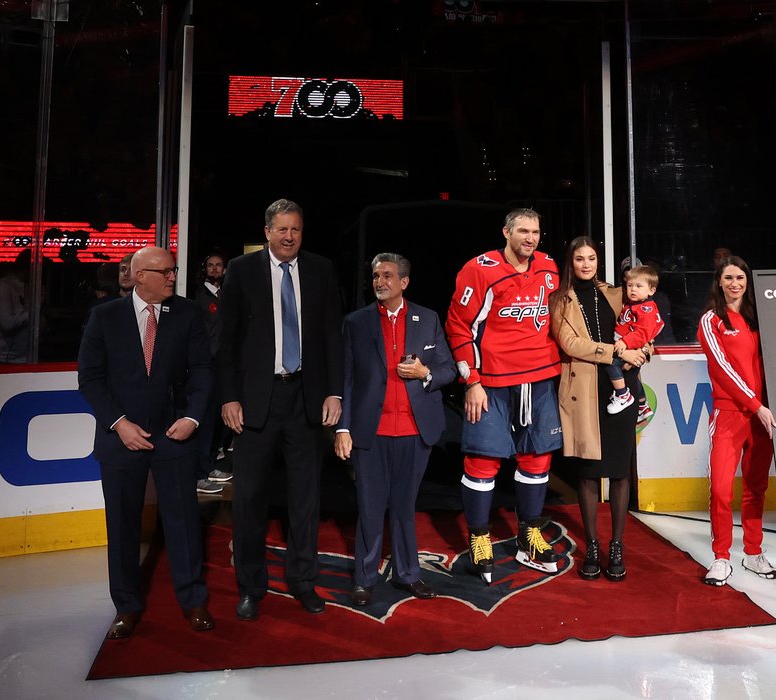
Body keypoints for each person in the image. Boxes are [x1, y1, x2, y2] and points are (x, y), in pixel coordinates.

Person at [77, 246, 214, 639]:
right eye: (165, 271)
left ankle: (193, 600)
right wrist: (120, 424)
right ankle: (126, 605)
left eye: (173, 270)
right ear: (139, 276)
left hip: (175, 436)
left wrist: (191, 418)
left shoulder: (188, 313)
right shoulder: (104, 317)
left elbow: (203, 370)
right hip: (121, 439)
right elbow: (90, 378)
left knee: (184, 521)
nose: (173, 277)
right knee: (121, 523)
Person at [217, 199, 344, 620]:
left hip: (305, 399)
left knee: (305, 500)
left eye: (296, 230)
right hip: (256, 402)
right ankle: (251, 586)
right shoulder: (241, 270)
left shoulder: (321, 269)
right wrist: (229, 397)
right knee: (250, 498)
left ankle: (303, 582)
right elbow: (226, 342)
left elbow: (331, 335)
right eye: (282, 229)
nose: (289, 237)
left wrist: (333, 392)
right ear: (267, 231)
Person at [445, 208, 564, 584]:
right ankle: (480, 537)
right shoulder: (479, 269)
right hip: (492, 383)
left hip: (540, 378)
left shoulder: (548, 266)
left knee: (537, 458)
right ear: (506, 233)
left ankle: (529, 533)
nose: (530, 238)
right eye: (523, 231)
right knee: (483, 462)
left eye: (536, 232)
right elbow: (458, 325)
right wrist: (472, 381)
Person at [335, 253, 456, 606]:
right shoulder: (356, 322)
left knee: (404, 506)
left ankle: (408, 575)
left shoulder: (428, 318)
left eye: (387, 275)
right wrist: (343, 427)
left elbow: (448, 369)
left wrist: (425, 374)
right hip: (370, 431)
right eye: (375, 275)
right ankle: (365, 579)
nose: (379, 281)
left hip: (416, 431)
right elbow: (346, 378)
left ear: (404, 282)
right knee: (370, 507)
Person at [551, 237, 650, 581]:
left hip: (621, 386)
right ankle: (592, 544)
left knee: (620, 470)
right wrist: (616, 352)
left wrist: (643, 351)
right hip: (584, 389)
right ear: (571, 262)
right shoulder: (560, 299)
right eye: (579, 259)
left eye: (591, 258)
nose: (586, 264)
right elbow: (569, 343)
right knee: (589, 471)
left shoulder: (613, 292)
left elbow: (642, 326)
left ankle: (617, 544)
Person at [696, 255, 776, 586]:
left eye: (740, 278)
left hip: (763, 417)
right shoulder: (711, 321)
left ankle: (753, 553)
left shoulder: (760, 319)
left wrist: (766, 407)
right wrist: (756, 405)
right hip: (730, 414)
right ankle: (721, 558)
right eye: (729, 278)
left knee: (755, 489)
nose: (735, 284)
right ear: (719, 281)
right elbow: (723, 370)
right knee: (720, 489)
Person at [193, 252, 232, 494]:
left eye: (219, 265)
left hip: (224, 367)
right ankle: (199, 474)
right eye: (211, 265)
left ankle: (208, 467)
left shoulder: (227, 295)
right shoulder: (199, 296)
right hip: (205, 366)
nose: (215, 269)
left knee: (218, 421)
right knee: (205, 422)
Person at [606, 264, 664, 415]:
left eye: (639, 286)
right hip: (624, 345)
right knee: (632, 378)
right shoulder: (632, 304)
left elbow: (644, 333)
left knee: (611, 363)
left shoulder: (647, 308)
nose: (633, 289)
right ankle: (642, 404)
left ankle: (622, 395)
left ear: (651, 290)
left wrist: (625, 342)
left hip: (630, 349)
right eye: (630, 285)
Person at [0, 248, 31, 363]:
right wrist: (33, 311)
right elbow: (7, 323)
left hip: (22, 357)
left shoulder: (27, 287)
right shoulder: (2, 287)